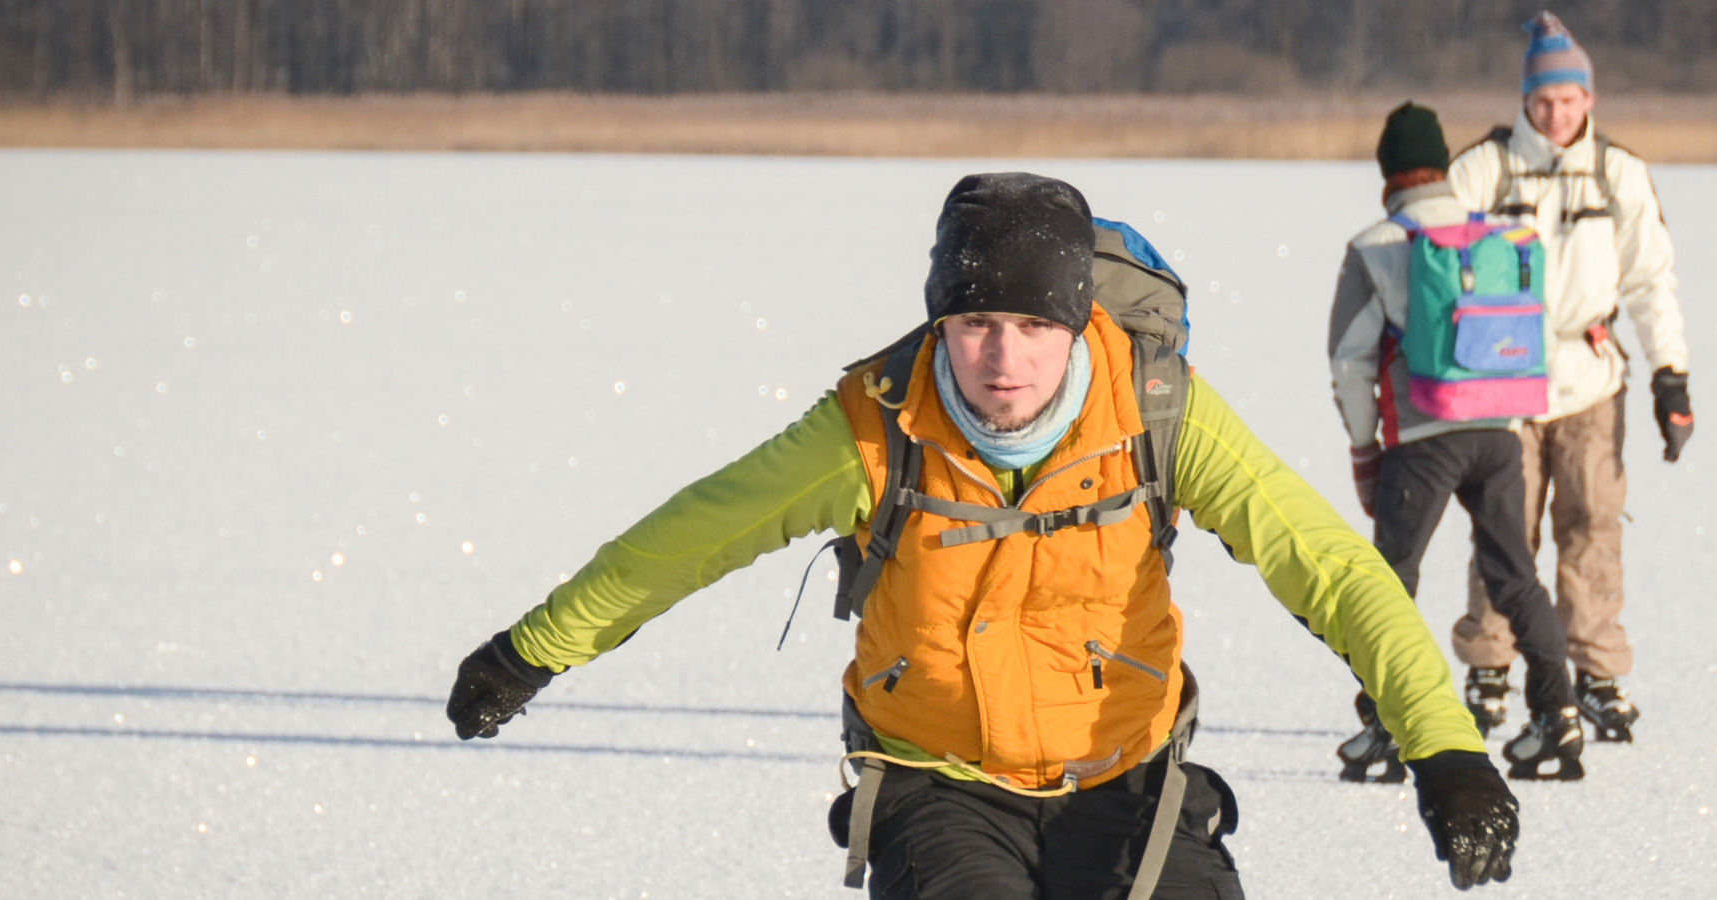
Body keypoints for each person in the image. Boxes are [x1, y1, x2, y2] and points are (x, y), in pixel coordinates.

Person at [440, 173, 1522, 898]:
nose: (1002, 358)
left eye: (1034, 327)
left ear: (1076, 322)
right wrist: (533, 648)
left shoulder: (1160, 408)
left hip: (1128, 777)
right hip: (936, 781)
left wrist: (1446, 750)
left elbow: (1331, 570)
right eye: (973, 325)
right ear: (940, 322)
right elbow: (689, 536)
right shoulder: (872, 425)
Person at [1443, 10, 1692, 744]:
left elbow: (1652, 281)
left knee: (1592, 526)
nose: (1556, 114)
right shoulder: (1483, 168)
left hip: (1591, 381)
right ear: (1525, 100)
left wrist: (1670, 378)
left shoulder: (1618, 172)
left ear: (1590, 99)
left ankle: (1599, 674)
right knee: (1503, 534)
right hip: (1500, 383)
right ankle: (1489, 670)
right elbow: (1428, 256)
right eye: (1544, 100)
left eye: (1569, 99)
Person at [1326, 102, 1584, 782]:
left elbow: (1349, 364)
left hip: (1422, 437)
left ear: (1387, 173)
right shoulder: (1499, 236)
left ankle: (1387, 727)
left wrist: (1363, 451)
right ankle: (1558, 719)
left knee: (1389, 582)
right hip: (1501, 431)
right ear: (1441, 167)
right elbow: (1540, 331)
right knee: (1515, 575)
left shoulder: (1377, 245)